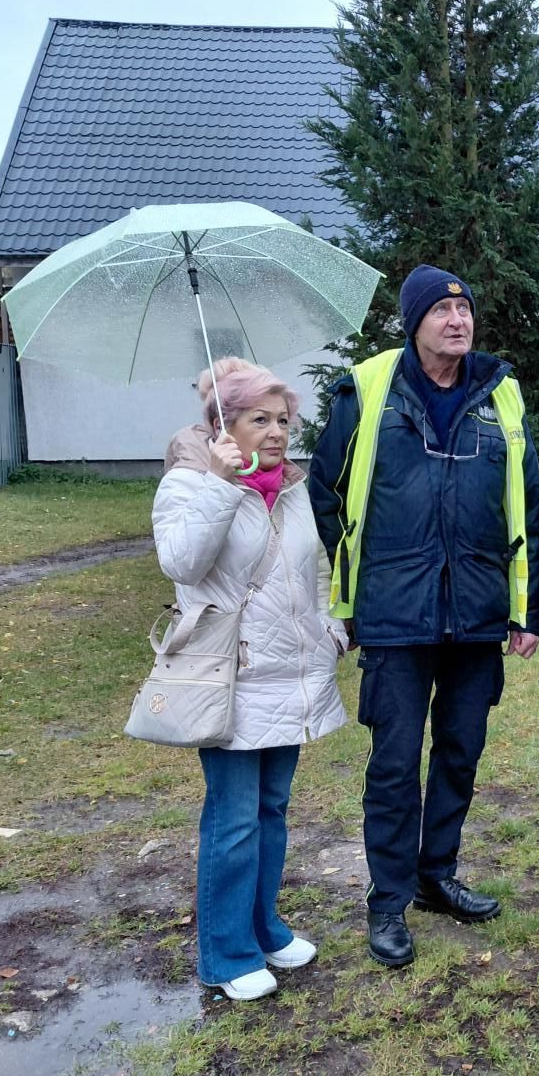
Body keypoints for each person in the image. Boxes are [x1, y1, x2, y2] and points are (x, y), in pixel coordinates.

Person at [309, 264, 539, 969]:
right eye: (441, 309)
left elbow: (527, 504)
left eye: (464, 307)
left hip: (476, 613)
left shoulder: (499, 394)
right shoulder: (368, 389)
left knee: (460, 752)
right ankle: (387, 904)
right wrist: (359, 580)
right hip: (394, 616)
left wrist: (526, 609)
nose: (457, 319)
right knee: (392, 764)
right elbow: (327, 492)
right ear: (414, 323)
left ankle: (437, 875)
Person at [152, 357, 348, 1000]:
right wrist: (215, 483)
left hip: (289, 673)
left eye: (283, 420)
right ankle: (226, 953)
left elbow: (313, 570)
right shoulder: (188, 483)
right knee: (233, 819)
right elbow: (181, 562)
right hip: (229, 676)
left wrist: (331, 629)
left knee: (272, 811)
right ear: (222, 425)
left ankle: (264, 928)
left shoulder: (291, 489)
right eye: (258, 419)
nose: (275, 433)